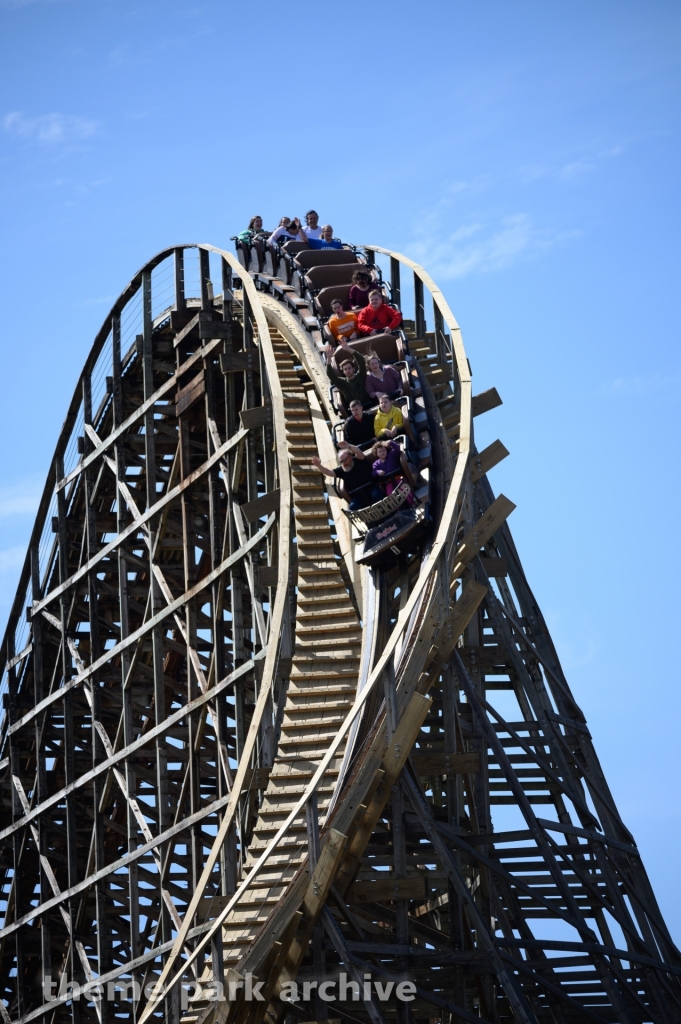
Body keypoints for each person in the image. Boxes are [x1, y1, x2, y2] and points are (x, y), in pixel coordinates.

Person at [311, 446, 379, 510]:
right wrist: (319, 465)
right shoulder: (341, 470)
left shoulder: (359, 460)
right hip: (358, 495)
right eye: (341, 461)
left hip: (371, 487)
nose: (343, 463)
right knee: (353, 506)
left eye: (345, 460)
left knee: (377, 494)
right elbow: (328, 472)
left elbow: (358, 452)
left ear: (350, 457)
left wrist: (348, 446)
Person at [371, 440, 416, 504]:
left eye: (384, 450)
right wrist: (378, 472)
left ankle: (411, 502)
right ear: (376, 454)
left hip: (399, 478)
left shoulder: (391, 455)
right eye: (380, 452)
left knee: (404, 489)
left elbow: (397, 448)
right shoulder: (376, 463)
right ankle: (398, 509)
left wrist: (391, 442)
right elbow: (373, 472)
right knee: (390, 494)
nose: (382, 453)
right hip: (389, 482)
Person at [326, 343, 370, 407]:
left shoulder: (360, 375)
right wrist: (329, 358)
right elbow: (330, 374)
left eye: (349, 368)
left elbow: (361, 360)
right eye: (345, 369)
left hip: (368, 404)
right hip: (354, 410)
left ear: (353, 368)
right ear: (343, 372)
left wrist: (348, 349)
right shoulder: (342, 382)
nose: (347, 370)